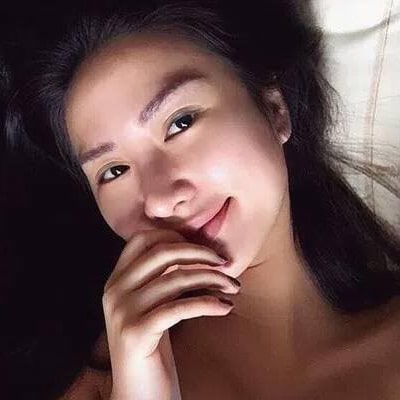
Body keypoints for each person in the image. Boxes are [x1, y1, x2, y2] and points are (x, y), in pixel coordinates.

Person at [8, 0, 400, 398]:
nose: (160, 200)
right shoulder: (101, 384)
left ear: (274, 108)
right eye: (114, 171)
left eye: (180, 123)